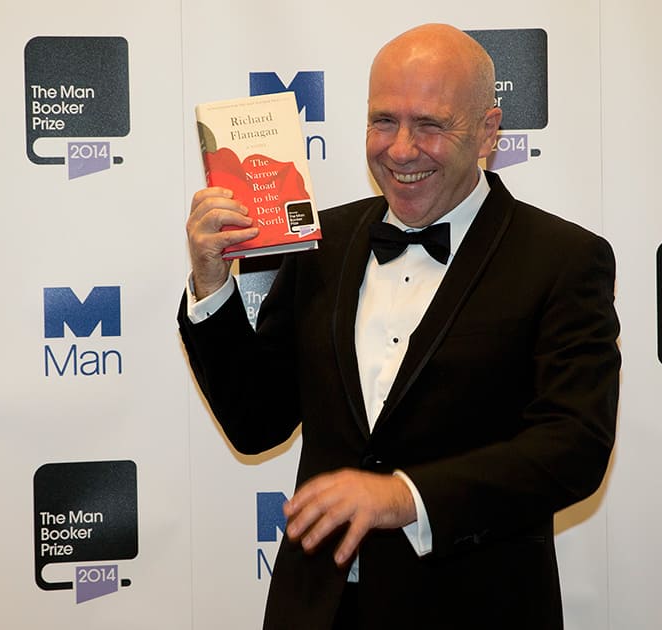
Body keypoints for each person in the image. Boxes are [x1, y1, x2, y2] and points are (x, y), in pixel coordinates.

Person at [178, 23, 620, 630]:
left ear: (488, 132)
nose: (401, 149)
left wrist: (405, 496)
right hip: (319, 611)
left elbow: (574, 448)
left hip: (474, 610)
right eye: (383, 121)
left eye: (431, 125)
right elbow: (256, 422)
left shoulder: (563, 259)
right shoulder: (322, 244)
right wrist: (211, 285)